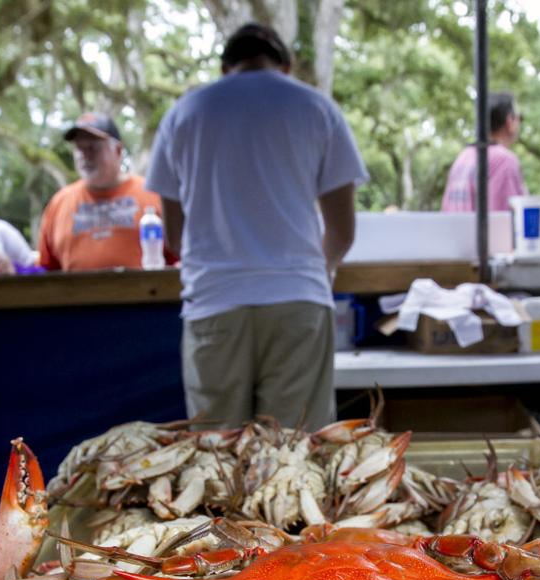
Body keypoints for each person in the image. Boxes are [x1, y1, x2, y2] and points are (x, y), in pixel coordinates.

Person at [146, 23, 366, 429]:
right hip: (297, 298)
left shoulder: (186, 112)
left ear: (226, 66)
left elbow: (174, 236)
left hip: (214, 301)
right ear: (285, 65)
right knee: (294, 457)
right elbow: (342, 230)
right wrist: (321, 268)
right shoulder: (316, 108)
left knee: (216, 457)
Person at [37, 113, 163, 271]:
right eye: (79, 148)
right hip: (75, 295)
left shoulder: (152, 194)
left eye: (93, 147)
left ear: (117, 150)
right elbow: (45, 269)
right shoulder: (59, 203)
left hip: (148, 294)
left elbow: (179, 258)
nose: (84, 155)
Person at [440, 92, 528, 213]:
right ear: (509, 121)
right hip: (482, 232)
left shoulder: (464, 156)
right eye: (520, 118)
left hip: (454, 231)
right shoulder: (503, 160)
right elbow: (504, 220)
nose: (519, 122)